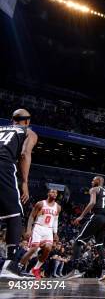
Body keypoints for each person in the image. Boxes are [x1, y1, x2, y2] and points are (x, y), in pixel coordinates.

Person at [0, 109, 38, 281]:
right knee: (14, 214)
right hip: (3, 167)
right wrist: (24, 182)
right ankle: (10, 265)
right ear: (27, 121)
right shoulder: (28, 132)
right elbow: (24, 153)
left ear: (12, 120)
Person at [64, 176, 105, 281]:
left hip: (96, 216)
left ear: (98, 181)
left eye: (93, 180)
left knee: (78, 242)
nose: (91, 181)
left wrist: (81, 216)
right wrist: (104, 218)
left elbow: (92, 203)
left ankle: (75, 270)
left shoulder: (94, 189)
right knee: (99, 245)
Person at [20, 189, 61, 279]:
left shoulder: (58, 207)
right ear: (48, 193)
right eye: (52, 192)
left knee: (48, 248)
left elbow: (55, 221)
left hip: (48, 230)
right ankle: (19, 268)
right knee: (33, 249)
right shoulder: (40, 204)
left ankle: (36, 269)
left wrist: (55, 233)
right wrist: (29, 230)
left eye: (56, 193)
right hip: (38, 227)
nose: (54, 193)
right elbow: (31, 216)